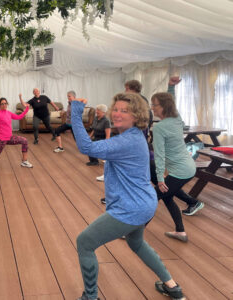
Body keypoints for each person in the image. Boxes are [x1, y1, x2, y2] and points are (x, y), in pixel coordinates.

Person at [71, 92, 185, 300]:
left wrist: (76, 114)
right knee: (137, 243)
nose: (117, 113)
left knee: (84, 243)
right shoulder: (133, 136)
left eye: (125, 111)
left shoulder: (127, 141)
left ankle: (90, 297)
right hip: (144, 203)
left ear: (137, 116)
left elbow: (86, 147)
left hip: (131, 207)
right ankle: (172, 286)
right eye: (116, 109)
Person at [151, 84, 204, 243]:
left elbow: (159, 156)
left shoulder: (159, 127)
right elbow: (170, 100)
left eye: (154, 105)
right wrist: (171, 87)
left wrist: (160, 179)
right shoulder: (177, 119)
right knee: (167, 197)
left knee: (152, 198)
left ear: (164, 107)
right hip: (188, 167)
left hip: (180, 170)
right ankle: (180, 231)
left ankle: (132, 233)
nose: (152, 108)